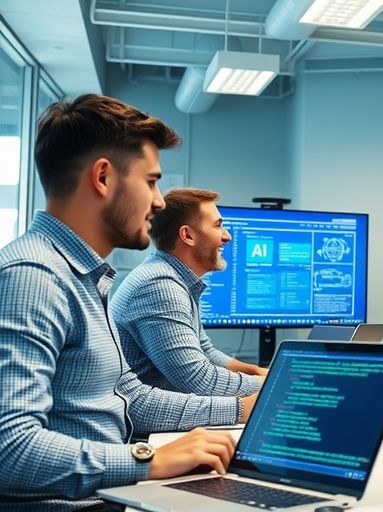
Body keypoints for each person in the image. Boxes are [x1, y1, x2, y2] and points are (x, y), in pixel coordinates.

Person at [0, 94, 256, 510]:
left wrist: (232, 411)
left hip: (108, 494)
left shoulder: (83, 276)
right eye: (151, 181)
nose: (159, 202)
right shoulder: (34, 277)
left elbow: (129, 397)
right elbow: (9, 451)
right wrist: (148, 459)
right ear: (103, 178)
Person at [112, 187, 267, 397]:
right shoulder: (159, 285)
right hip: (144, 422)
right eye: (218, 226)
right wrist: (273, 385)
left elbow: (205, 352)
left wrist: (258, 372)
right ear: (187, 235)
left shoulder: (174, 278)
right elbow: (198, 379)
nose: (227, 236)